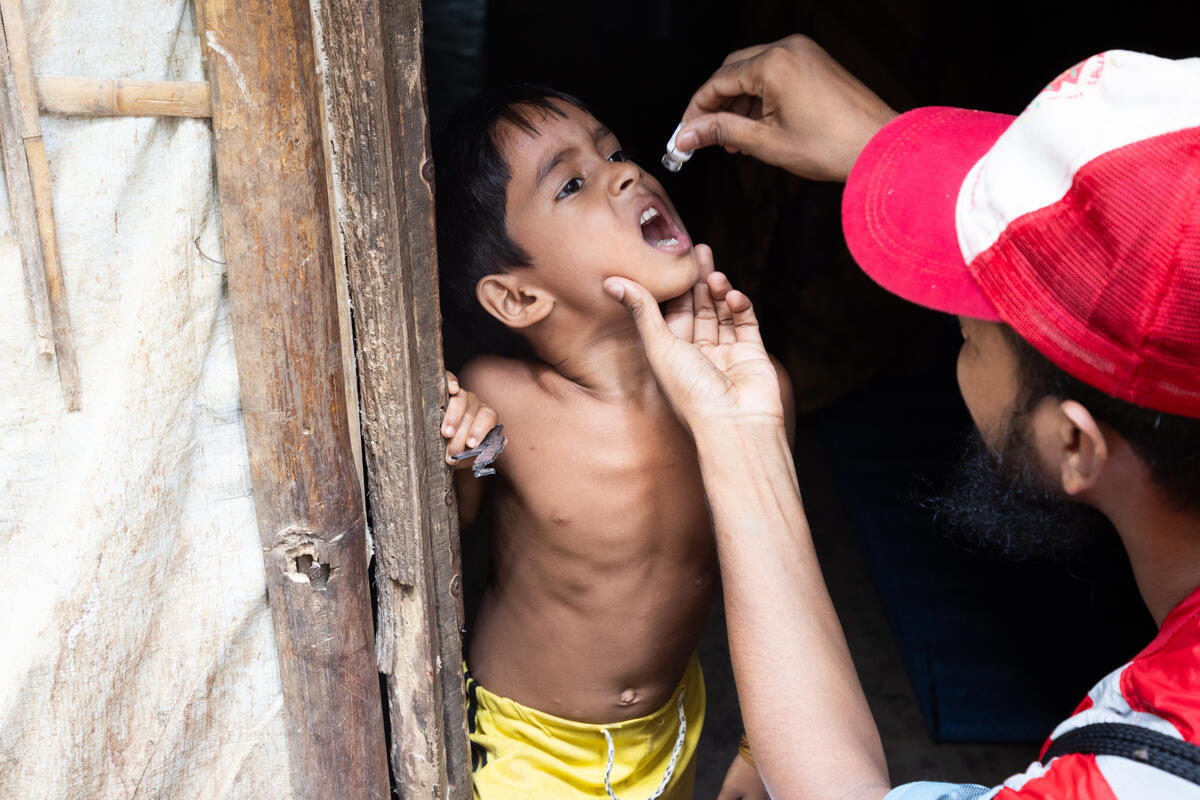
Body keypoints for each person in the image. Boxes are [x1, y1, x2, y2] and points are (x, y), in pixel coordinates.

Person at [602, 38, 1200, 800]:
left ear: (1073, 444)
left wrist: (741, 437)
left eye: (969, 330)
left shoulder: (1140, 775)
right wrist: (892, 148)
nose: (953, 322)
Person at [434, 84, 794, 800]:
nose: (623, 173)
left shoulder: (747, 394)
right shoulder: (506, 400)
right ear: (518, 298)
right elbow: (459, 512)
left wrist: (765, 745)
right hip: (529, 747)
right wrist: (463, 439)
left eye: (615, 152)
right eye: (572, 182)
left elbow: (780, 566)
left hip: (671, 730)